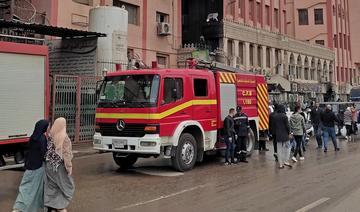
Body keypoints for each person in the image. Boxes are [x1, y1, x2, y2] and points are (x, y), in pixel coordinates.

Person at [13, 120, 50, 212]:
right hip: (38, 167)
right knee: (35, 189)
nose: (48, 128)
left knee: (25, 186)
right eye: (48, 126)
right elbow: (44, 154)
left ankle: (18, 207)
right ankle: (25, 207)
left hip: (29, 166)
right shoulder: (42, 138)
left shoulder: (33, 137)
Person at [44, 118, 75, 212]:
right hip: (59, 167)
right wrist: (69, 167)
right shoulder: (64, 137)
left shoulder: (50, 135)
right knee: (69, 186)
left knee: (53, 186)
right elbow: (66, 154)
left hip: (49, 165)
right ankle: (60, 207)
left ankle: (50, 205)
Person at [272, 105, 292, 169]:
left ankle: (280, 164)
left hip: (278, 134)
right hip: (285, 134)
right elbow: (287, 126)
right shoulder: (284, 116)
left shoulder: (275, 117)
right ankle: (286, 160)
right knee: (288, 146)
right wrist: (289, 133)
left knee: (279, 149)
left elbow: (273, 126)